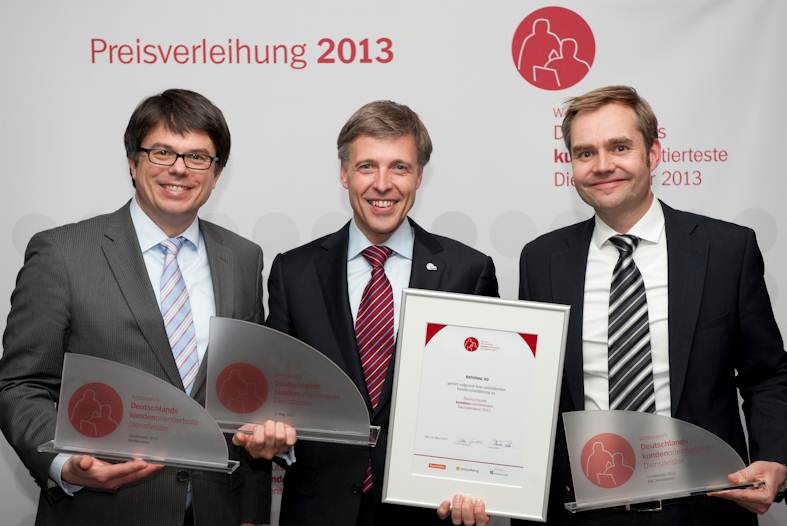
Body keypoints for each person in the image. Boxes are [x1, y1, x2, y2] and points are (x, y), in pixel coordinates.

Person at [0, 88, 285, 526]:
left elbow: (244, 393)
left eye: (197, 157)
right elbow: (20, 384)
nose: (178, 169)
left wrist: (252, 514)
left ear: (216, 173)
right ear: (133, 162)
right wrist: (66, 464)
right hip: (100, 510)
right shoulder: (63, 253)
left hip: (216, 511)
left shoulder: (243, 259)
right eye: (162, 152)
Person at [518, 85, 787, 525]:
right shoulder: (542, 260)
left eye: (619, 147)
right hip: (584, 513)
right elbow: (532, 391)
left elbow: (768, 373)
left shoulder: (726, 250)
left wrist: (775, 456)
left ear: (653, 153)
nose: (603, 165)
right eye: (585, 153)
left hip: (704, 510)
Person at [234, 100, 498, 526]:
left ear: (419, 176)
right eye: (366, 167)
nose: (382, 184)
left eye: (399, 167)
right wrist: (270, 438)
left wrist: (482, 478)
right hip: (319, 510)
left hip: (432, 511)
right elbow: (275, 395)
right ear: (343, 174)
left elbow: (485, 398)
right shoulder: (294, 271)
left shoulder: (468, 271)